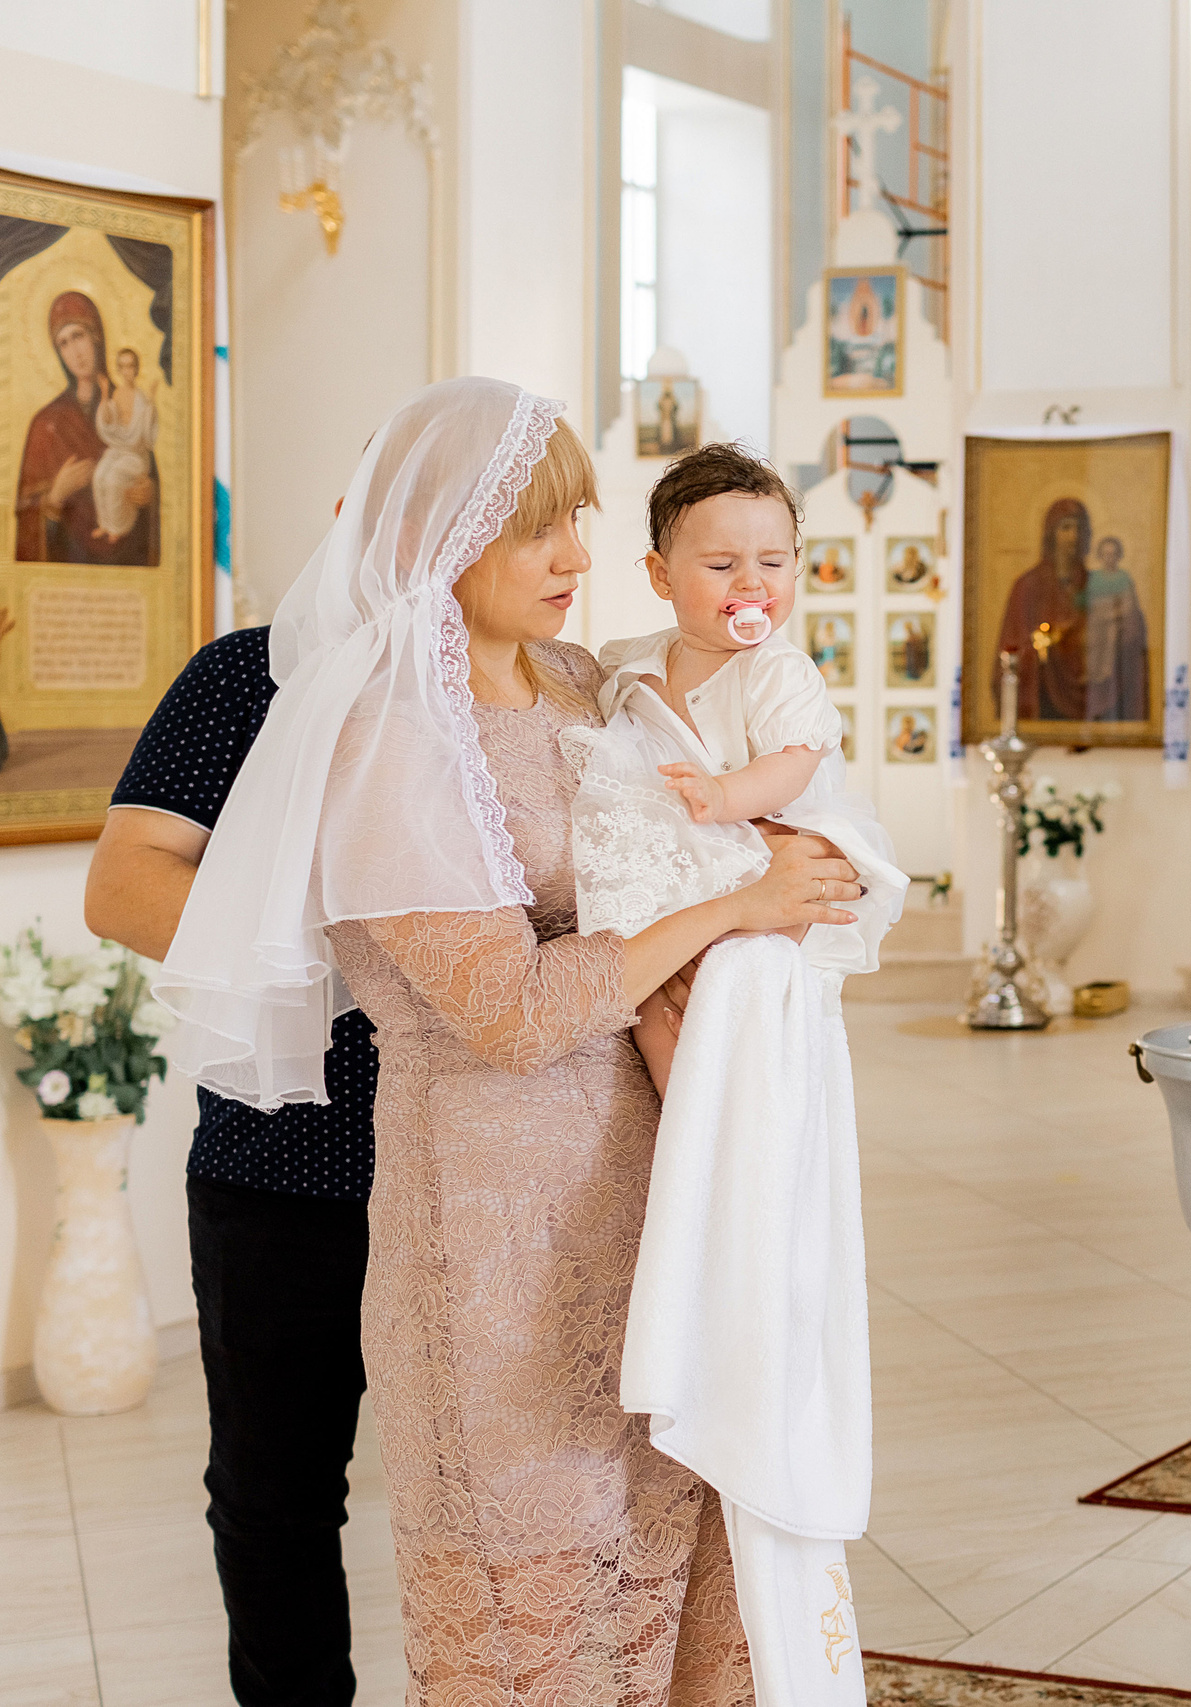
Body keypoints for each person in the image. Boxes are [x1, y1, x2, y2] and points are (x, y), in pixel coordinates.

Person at [152, 376, 863, 1702]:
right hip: (493, 1210)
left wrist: (793, 884)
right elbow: (511, 1010)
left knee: (675, 1531)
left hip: (657, 1171)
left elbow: (713, 825)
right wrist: (739, 902)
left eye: (581, 519)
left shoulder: (591, 687)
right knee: (537, 1580)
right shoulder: (383, 740)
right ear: (441, 532)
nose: (578, 558)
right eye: (537, 526)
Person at [86, 621, 381, 1706]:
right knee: (274, 1497)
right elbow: (121, 889)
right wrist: (380, 960)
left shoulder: (548, 688)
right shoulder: (251, 675)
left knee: (519, 1491)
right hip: (285, 1167)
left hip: (497, 1173)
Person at [563, 440, 906, 1088]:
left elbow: (792, 765)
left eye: (773, 562)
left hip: (765, 841)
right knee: (657, 1013)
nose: (752, 582)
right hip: (687, 862)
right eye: (722, 564)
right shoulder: (634, 662)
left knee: (734, 991)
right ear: (662, 576)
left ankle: (736, 1107)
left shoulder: (776, 670)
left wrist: (723, 796)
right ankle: (681, 1124)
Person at [15, 290, 155, 564]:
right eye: (64, 343)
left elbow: (148, 466)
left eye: (79, 336)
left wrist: (148, 493)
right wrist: (54, 498)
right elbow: (22, 519)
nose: (75, 352)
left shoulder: (129, 401)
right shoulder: (45, 423)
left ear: (96, 336)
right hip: (65, 567)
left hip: (123, 564)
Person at [994, 497, 1149, 723]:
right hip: (1045, 697)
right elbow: (1012, 647)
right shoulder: (1028, 586)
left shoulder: (1097, 583)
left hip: (1098, 697)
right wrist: (1051, 642)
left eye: (1079, 528)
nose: (1073, 536)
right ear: (1051, 533)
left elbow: (1131, 637)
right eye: (1065, 528)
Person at [92, 346, 158, 546]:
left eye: (130, 366)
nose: (126, 371)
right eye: (122, 367)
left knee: (113, 480)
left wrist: (151, 403)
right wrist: (104, 393)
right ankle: (105, 523)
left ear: (136, 369)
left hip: (135, 456)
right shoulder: (118, 394)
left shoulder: (142, 398)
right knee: (99, 475)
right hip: (118, 450)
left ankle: (118, 528)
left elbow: (147, 437)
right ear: (118, 370)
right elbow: (107, 422)